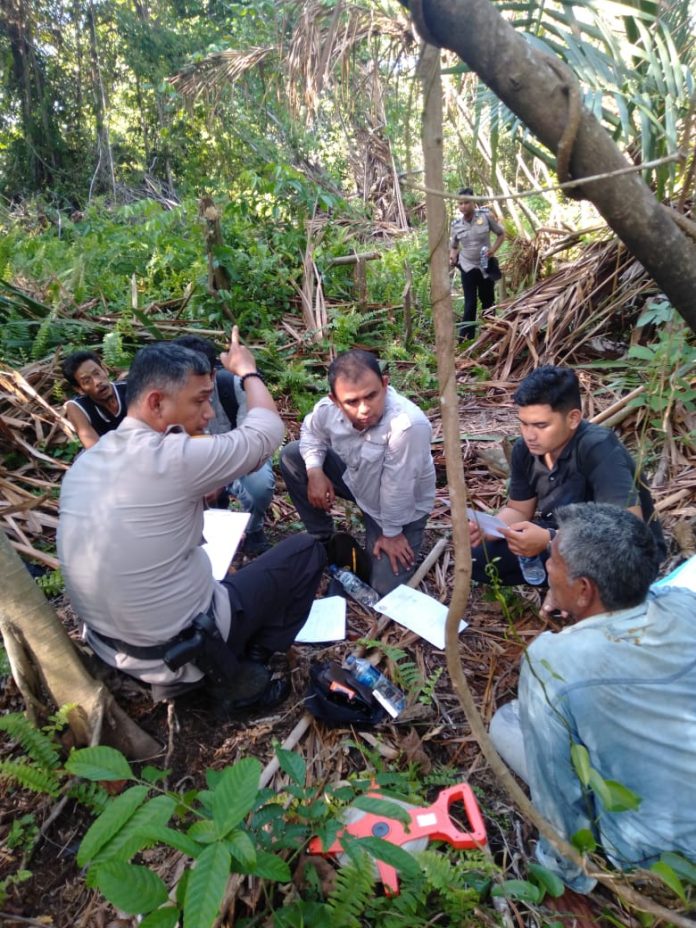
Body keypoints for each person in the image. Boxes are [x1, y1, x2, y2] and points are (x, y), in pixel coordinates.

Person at [57, 331, 325, 712]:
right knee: (308, 550)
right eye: (199, 400)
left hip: (112, 649)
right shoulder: (173, 457)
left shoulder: (85, 464)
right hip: (178, 650)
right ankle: (240, 674)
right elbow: (268, 430)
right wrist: (247, 370)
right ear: (156, 403)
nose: (209, 413)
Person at [489, 503, 696, 892]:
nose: (548, 568)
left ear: (584, 590)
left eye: (552, 560)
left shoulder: (551, 661)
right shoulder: (686, 606)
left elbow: (558, 792)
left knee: (505, 722)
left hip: (650, 851)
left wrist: (566, 877)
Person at [468, 365, 665, 607]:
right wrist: (495, 527)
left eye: (541, 426)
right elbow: (519, 510)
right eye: (524, 424)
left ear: (572, 418)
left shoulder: (598, 449)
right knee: (479, 560)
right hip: (562, 536)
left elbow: (626, 532)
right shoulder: (525, 450)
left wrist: (550, 541)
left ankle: (573, 594)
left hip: (620, 552)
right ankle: (563, 586)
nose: (529, 435)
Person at [280, 349, 435, 596]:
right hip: (359, 481)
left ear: (385, 384)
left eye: (371, 396)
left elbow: (399, 488)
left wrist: (392, 534)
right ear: (335, 400)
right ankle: (322, 538)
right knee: (293, 455)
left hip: (401, 508)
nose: (364, 409)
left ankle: (378, 543)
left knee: (384, 589)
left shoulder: (407, 426)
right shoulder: (327, 410)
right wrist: (315, 471)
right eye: (352, 402)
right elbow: (311, 433)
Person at [173, 334, 275, 555]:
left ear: (213, 373)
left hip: (235, 455)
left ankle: (253, 527)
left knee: (260, 485)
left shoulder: (234, 386)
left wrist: (218, 477)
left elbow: (250, 443)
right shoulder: (168, 398)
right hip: (193, 461)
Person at [449, 187, 505, 341]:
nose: (463, 206)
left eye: (466, 202)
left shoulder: (485, 217)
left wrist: (493, 250)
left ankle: (491, 333)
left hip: (485, 265)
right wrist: (452, 258)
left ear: (473, 202)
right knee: (470, 302)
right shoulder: (456, 225)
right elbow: (454, 246)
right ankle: (466, 339)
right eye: (460, 204)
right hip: (467, 266)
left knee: (488, 300)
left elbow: (501, 234)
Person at [62, 350, 127, 448]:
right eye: (87, 381)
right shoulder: (78, 408)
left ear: (105, 370)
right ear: (79, 389)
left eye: (97, 373)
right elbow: (96, 451)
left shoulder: (130, 389)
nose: (97, 382)